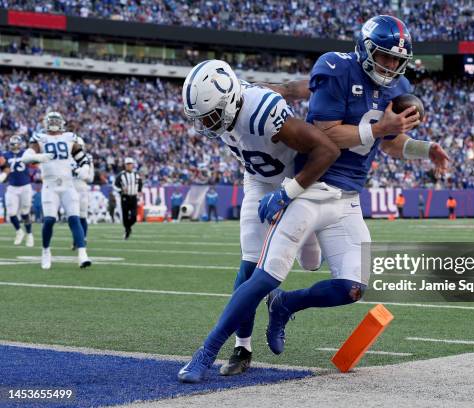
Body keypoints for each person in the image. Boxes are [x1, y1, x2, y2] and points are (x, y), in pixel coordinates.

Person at [177, 16, 448, 383]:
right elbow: (325, 138)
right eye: (382, 57)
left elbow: (391, 144)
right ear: (366, 51)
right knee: (261, 274)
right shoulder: (335, 68)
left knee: (352, 288)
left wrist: (424, 148)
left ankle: (286, 305)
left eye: (394, 60)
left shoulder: (397, 86)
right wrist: (378, 128)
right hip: (307, 184)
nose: (390, 66)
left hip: (345, 195)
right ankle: (210, 351)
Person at [178, 59, 338, 380]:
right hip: (259, 180)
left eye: (210, 116)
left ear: (230, 100)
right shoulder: (233, 107)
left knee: (310, 263)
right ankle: (242, 346)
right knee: (250, 264)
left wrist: (288, 192)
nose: (207, 125)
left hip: (297, 181)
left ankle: (280, 303)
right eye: (202, 119)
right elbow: (278, 88)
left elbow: (324, 148)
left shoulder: (264, 113)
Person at [22, 111, 92, 269]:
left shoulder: (69, 137)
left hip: (68, 184)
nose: (53, 124)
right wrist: (38, 157)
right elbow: (26, 157)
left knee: (74, 219)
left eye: (56, 120)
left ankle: (82, 254)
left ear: (61, 122)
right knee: (49, 220)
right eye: (51, 121)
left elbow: (81, 156)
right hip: (50, 185)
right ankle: (46, 251)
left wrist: (85, 168)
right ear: (46, 123)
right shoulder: (41, 138)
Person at [0, 135, 34, 247]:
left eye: (15, 144)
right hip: (12, 187)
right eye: (12, 144)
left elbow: (35, 162)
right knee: (11, 213)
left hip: (25, 186)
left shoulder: (26, 153)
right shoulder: (5, 155)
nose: (13, 146)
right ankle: (19, 231)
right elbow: (3, 167)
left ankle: (29, 234)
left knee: (25, 212)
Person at [71, 138, 94, 249]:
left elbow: (90, 178)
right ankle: (76, 239)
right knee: (72, 216)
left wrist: (78, 172)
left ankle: (82, 239)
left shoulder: (87, 158)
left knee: (82, 216)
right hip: (70, 188)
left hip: (81, 188)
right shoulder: (67, 157)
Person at [114, 157, 142, 240]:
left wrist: (139, 191)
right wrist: (121, 190)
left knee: (134, 216)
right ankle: (127, 231)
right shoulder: (121, 175)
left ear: (133, 165)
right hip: (125, 197)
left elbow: (140, 183)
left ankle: (128, 228)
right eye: (127, 164)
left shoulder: (136, 175)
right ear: (125, 165)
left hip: (133, 197)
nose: (129, 166)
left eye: (130, 164)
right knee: (125, 216)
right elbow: (115, 186)